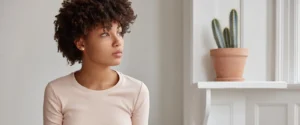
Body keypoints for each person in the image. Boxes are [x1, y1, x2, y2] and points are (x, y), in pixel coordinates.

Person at [43, 0, 150, 125]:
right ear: (81, 43)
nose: (118, 42)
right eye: (105, 34)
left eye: (119, 32)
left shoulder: (137, 91)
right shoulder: (57, 91)